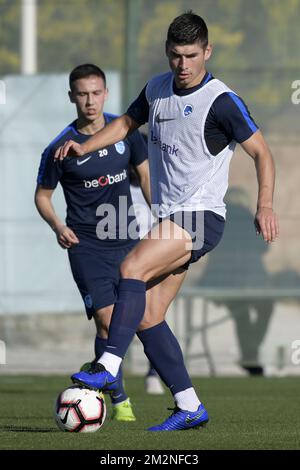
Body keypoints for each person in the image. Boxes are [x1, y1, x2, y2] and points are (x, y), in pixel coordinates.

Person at [54, 12, 279, 431]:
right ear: (167, 53)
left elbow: (262, 153)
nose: (183, 64)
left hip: (200, 216)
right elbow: (123, 124)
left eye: (192, 55)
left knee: (130, 269)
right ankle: (190, 405)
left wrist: (265, 204)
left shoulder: (221, 101)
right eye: (176, 55)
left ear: (207, 52)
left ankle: (107, 365)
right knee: (148, 315)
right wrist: (85, 147)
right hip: (171, 216)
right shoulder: (157, 89)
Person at [35, 63, 157, 421]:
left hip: (128, 240)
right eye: (82, 94)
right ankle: (119, 399)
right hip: (86, 246)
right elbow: (43, 195)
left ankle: (105, 376)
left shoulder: (126, 133)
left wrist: (164, 220)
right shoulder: (58, 148)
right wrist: (57, 225)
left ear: (106, 93)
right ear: (72, 97)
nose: (90, 101)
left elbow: (146, 175)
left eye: (96, 93)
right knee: (106, 320)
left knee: (136, 320)